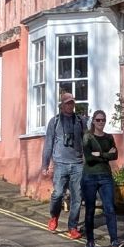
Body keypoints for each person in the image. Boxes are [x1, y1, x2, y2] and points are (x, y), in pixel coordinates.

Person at [41, 93, 88, 238]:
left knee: (77, 198)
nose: (70, 106)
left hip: (77, 163)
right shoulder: (54, 122)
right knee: (58, 194)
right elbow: (48, 144)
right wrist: (45, 165)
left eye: (72, 103)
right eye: (67, 103)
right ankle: (54, 216)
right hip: (60, 163)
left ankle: (72, 227)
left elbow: (86, 142)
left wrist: (89, 162)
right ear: (62, 105)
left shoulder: (80, 121)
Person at [81, 110, 124, 247]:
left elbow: (115, 155)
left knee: (110, 208)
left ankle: (114, 241)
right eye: (98, 120)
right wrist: (106, 155)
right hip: (90, 176)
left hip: (105, 176)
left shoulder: (108, 137)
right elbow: (89, 158)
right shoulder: (87, 137)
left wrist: (99, 154)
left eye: (103, 120)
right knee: (90, 209)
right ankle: (90, 241)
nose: (101, 122)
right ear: (93, 121)